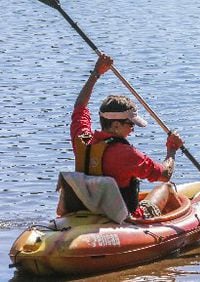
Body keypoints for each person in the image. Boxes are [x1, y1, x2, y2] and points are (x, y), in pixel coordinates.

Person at [70, 54, 184, 218]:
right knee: (166, 188)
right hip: (125, 219)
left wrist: (96, 73)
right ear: (116, 125)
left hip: (89, 212)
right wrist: (172, 150)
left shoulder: (82, 139)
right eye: (130, 124)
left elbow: (79, 106)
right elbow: (165, 174)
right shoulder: (128, 154)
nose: (133, 130)